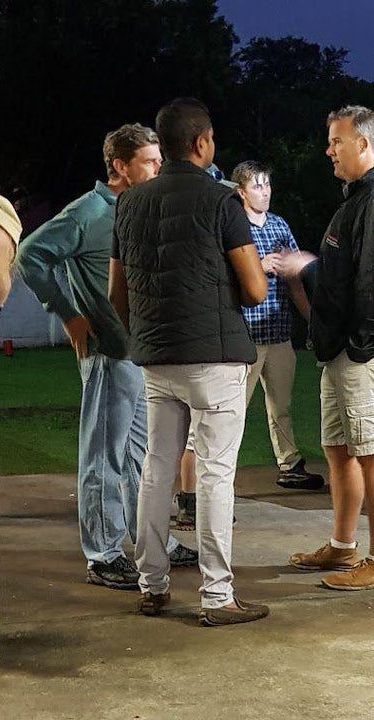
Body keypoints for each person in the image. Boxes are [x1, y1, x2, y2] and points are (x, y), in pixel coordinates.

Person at [110, 98, 271, 626]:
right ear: (202, 142)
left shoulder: (129, 204)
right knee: (215, 473)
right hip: (216, 356)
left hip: (157, 355)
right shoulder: (222, 201)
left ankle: (152, 586)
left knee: (156, 471)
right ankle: (217, 595)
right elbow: (253, 288)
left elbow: (118, 296)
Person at [18, 123, 201, 590]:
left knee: (145, 456)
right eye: (150, 162)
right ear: (121, 166)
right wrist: (69, 315)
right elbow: (31, 255)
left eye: (160, 161)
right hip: (108, 354)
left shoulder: (139, 207)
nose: (159, 169)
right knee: (104, 457)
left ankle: (152, 541)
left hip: (141, 355)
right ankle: (102, 555)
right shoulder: (87, 211)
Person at [284, 106, 374, 591]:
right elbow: (348, 277)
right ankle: (344, 549)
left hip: (369, 349)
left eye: (336, 141)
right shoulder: (358, 198)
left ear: (363, 145)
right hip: (346, 349)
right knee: (339, 448)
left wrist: (360, 347)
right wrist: (313, 270)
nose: (329, 150)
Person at [232, 160, 327, 491]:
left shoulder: (279, 226)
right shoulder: (233, 227)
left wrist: (311, 321)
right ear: (241, 191)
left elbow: (295, 281)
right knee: (232, 411)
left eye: (267, 185)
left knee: (281, 406)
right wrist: (256, 266)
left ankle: (290, 465)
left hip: (278, 333)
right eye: (257, 186)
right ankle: (219, 473)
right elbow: (221, 278)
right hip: (244, 336)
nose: (265, 192)